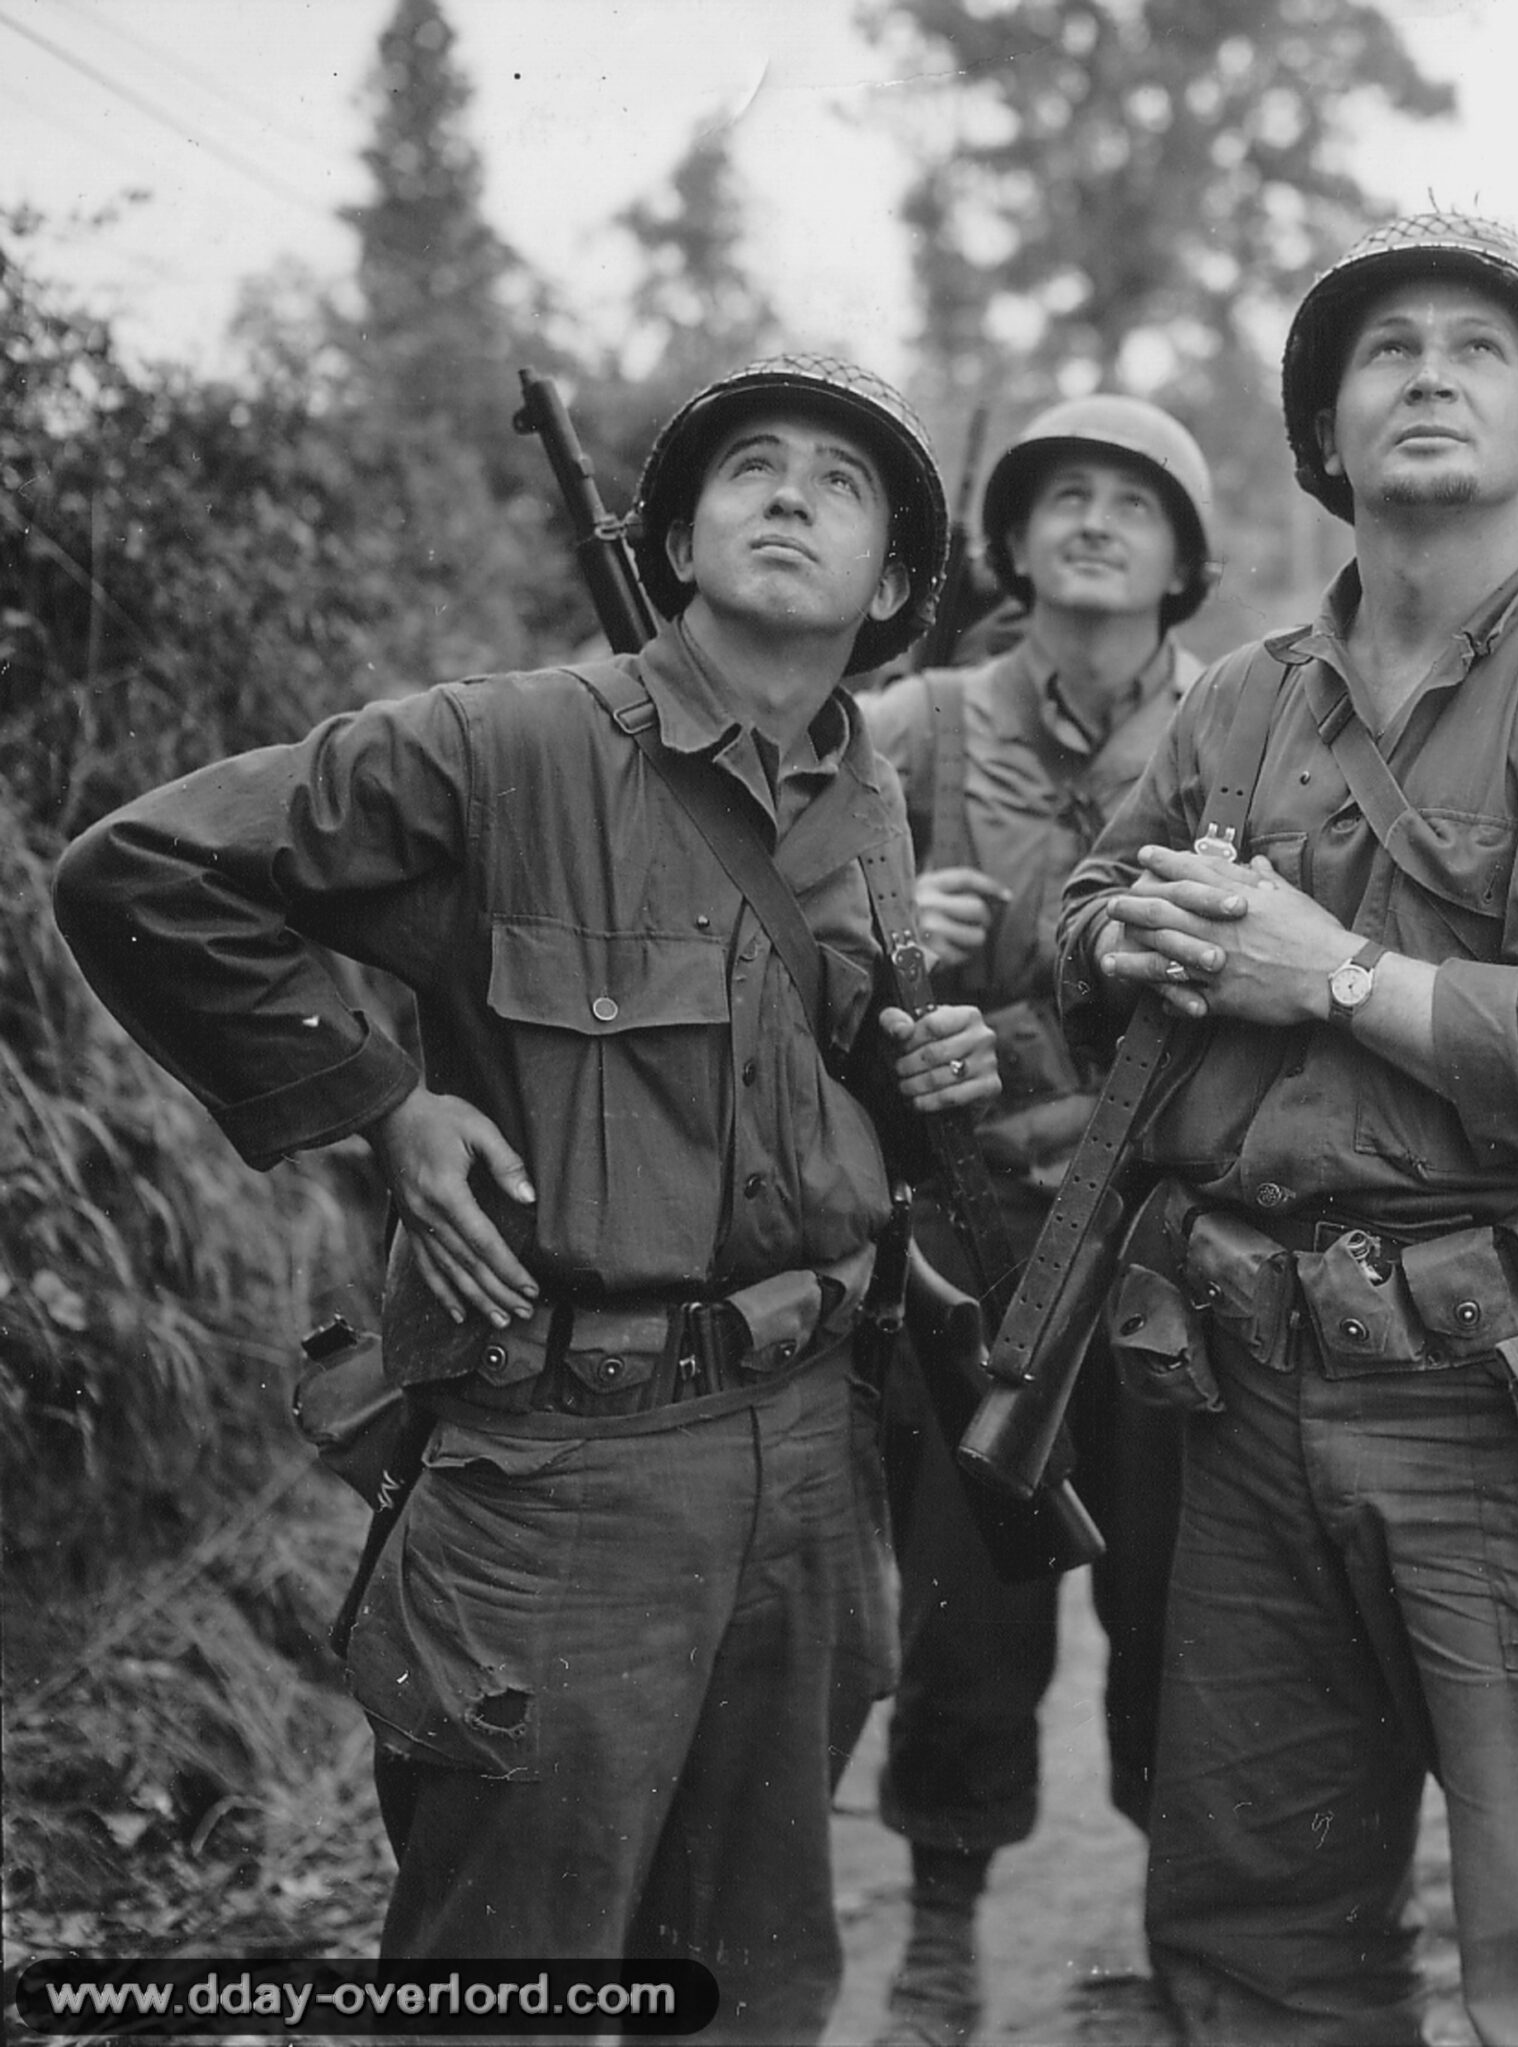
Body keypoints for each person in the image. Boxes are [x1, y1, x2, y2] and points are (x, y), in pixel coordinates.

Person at [52, 354, 1004, 2043]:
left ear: (900, 585)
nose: (792, 496)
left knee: (755, 1977)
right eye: (753, 469)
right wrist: (384, 1104)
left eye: (843, 484)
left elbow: (825, 1068)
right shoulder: (508, 745)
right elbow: (141, 871)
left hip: (811, 1456)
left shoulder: (868, 791)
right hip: (568, 1473)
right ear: (678, 537)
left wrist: (922, 1080)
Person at [1057, 211, 1518, 2045]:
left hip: (1507, 1405)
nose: (1427, 371)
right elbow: (1079, 918)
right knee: (1255, 1938)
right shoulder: (1238, 701)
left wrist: (1339, 974)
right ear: (1329, 441)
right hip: (1248, 1387)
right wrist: (1118, 932)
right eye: (1384, 352)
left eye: (1475, 349)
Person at [851, 394, 1219, 2047]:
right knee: (962, 1617)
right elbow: (769, 939)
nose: (1092, 522)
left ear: (1182, 555)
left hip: (1168, 1250)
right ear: (1013, 540)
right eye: (1060, 495)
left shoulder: (1252, 727)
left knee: (1187, 1615)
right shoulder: (911, 726)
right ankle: (938, 1947)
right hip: (968, 1245)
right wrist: (873, 931)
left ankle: (1178, 1939)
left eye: (1131, 502)